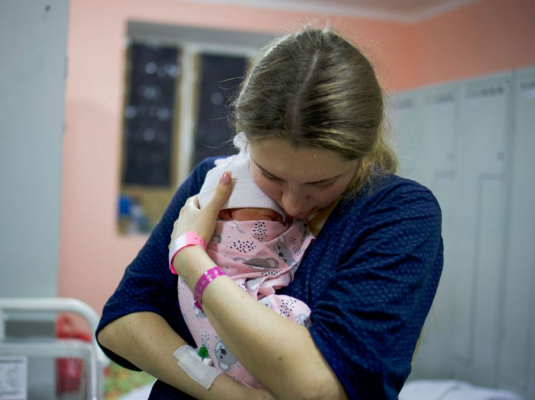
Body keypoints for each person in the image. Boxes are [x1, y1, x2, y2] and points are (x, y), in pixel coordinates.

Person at [97, 27, 443, 400]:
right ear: (245, 139)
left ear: (365, 148)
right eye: (272, 176)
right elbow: (121, 322)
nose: (293, 204)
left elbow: (320, 389)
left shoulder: (399, 214)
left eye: (322, 183)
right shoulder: (216, 180)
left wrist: (191, 258)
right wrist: (225, 391)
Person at [177, 132, 315, 389]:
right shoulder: (221, 235)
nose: (289, 213)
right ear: (224, 214)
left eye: (277, 220)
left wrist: (186, 253)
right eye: (267, 219)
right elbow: (123, 316)